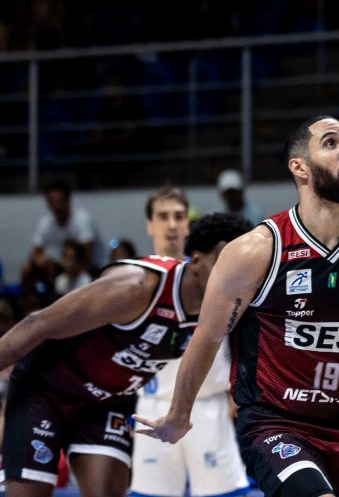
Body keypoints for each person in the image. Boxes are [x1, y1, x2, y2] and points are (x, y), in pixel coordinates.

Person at [134, 116, 339, 497]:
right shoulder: (256, 250)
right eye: (331, 143)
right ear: (299, 167)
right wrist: (179, 415)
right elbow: (207, 337)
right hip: (276, 424)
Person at [0, 212, 246, 497]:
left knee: (105, 491)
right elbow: (38, 323)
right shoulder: (137, 286)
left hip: (107, 401)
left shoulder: (224, 307)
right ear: (196, 259)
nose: (231, 275)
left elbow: (201, 356)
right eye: (222, 261)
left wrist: (179, 415)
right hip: (46, 391)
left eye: (239, 268)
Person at [130, 187, 249, 497]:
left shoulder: (211, 272)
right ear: (149, 225)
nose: (171, 225)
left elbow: (239, 329)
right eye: (163, 217)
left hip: (207, 404)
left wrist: (238, 387)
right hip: (153, 406)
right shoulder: (136, 279)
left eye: (178, 216)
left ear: (188, 223)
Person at [26, 179, 101, 278]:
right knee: (27, 269)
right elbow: (35, 251)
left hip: (85, 267)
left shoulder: (82, 219)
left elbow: (86, 253)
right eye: (52, 202)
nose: (56, 206)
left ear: (67, 201)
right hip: (58, 266)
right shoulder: (45, 223)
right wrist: (40, 261)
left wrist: (67, 263)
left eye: (59, 201)